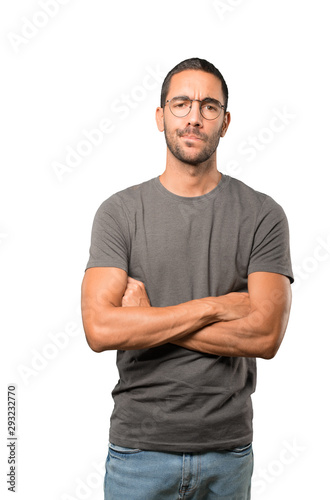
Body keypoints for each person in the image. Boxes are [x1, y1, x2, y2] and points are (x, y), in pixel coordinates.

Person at [81, 57, 294, 500]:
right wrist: (216, 306)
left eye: (209, 106)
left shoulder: (262, 215)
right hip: (139, 452)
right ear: (160, 117)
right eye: (181, 104)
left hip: (227, 452)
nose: (194, 117)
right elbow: (100, 330)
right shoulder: (119, 213)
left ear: (226, 121)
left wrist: (148, 322)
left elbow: (266, 337)